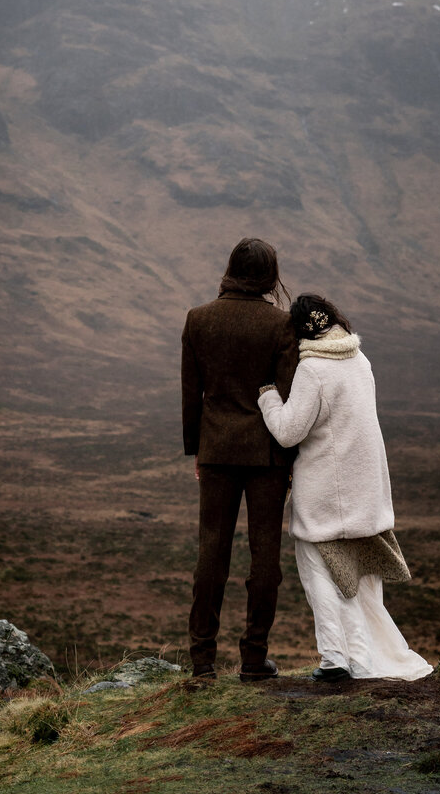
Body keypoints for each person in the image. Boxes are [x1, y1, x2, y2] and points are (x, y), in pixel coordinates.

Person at [258, 293, 432, 682]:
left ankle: (337, 658)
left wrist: (268, 397)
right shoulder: (360, 360)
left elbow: (288, 432)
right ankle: (363, 655)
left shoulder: (313, 369)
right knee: (361, 580)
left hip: (326, 492)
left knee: (318, 570)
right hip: (366, 487)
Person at [182, 238, 298, 681]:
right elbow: (287, 395)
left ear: (231, 268)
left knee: (211, 551)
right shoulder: (280, 324)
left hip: (216, 451)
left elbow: (192, 395)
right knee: (265, 556)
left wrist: (198, 452)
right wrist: (288, 457)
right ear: (269, 275)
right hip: (267, 453)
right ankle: (253, 657)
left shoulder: (199, 320)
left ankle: (202, 661)